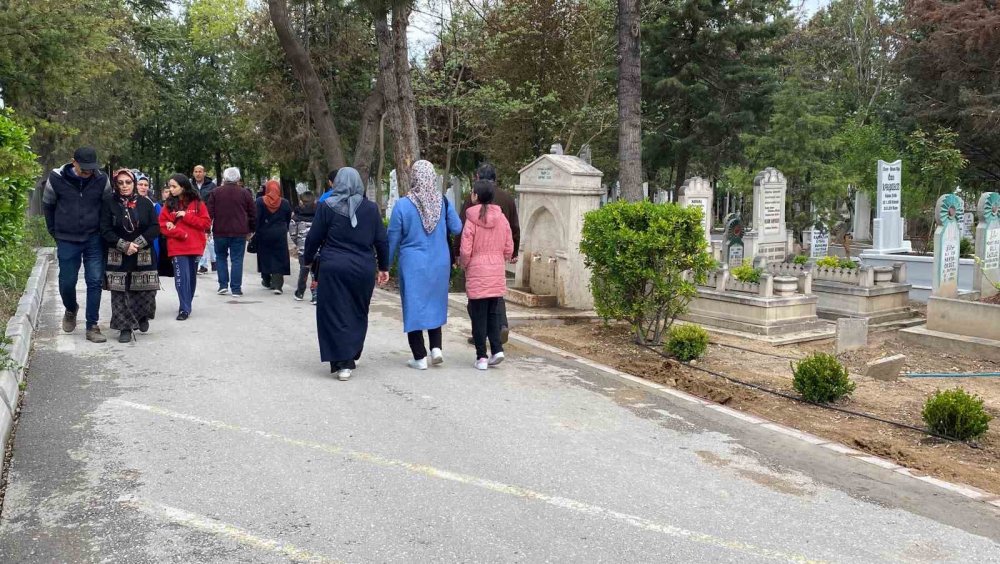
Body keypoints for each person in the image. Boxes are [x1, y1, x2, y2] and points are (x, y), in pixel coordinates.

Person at [303, 168, 389, 381]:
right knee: (358, 311)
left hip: (334, 267)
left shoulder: (326, 207)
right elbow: (381, 240)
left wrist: (308, 260)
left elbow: (314, 237)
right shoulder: (370, 209)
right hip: (363, 268)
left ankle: (342, 362)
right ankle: (352, 352)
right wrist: (384, 267)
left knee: (334, 312)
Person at [388, 160, 463, 370]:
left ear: (414, 178)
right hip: (440, 262)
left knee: (413, 306)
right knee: (435, 302)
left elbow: (392, 238)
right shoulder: (442, 202)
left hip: (413, 263)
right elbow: (457, 227)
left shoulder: (403, 205)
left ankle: (419, 356)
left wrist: (385, 265)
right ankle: (436, 349)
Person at [43, 147, 111, 343]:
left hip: (94, 238)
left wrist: (104, 233)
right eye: (84, 168)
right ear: (73, 162)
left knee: (94, 280)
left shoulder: (102, 180)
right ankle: (71, 308)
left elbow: (107, 208)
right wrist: (55, 232)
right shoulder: (56, 178)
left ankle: (92, 326)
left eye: (91, 168)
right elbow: (48, 206)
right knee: (67, 281)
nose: (88, 172)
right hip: (66, 238)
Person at [457, 163, 520, 344]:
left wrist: (457, 254)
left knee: (476, 298)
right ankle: (501, 326)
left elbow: (462, 229)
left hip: (475, 258)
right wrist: (513, 252)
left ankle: (481, 333)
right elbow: (514, 227)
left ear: (477, 177)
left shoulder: (473, 200)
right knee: (496, 295)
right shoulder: (507, 198)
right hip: (497, 256)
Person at [100, 169, 160, 343]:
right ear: (115, 184)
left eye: (128, 182)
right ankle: (124, 328)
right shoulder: (108, 203)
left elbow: (155, 227)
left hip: (143, 253)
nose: (124, 186)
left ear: (133, 183)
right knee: (120, 292)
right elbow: (105, 229)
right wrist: (124, 245)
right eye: (120, 183)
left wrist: (138, 243)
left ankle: (142, 316)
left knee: (145, 292)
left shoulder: (145, 203)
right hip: (118, 253)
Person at [460, 180, 514, 370]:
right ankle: (497, 350)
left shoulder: (471, 220)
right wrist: (501, 258)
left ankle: (481, 356)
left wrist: (465, 264)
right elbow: (509, 246)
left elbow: (465, 249)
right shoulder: (502, 218)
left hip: (477, 271)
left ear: (475, 196)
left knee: (478, 317)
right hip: (496, 270)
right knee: (493, 314)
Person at [159, 174, 211, 320]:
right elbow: (162, 225)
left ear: (183, 187)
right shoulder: (168, 205)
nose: (171, 189)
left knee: (191, 278)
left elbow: (206, 223)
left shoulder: (197, 203)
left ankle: (187, 304)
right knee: (181, 277)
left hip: (195, 246)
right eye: (169, 186)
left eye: (174, 186)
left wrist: (186, 216)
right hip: (177, 247)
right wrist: (179, 233)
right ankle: (184, 308)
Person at [207, 167, 256, 296]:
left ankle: (223, 285)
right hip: (239, 231)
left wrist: (207, 229)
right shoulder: (245, 193)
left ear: (224, 178)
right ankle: (236, 289)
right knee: (237, 259)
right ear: (238, 178)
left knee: (220, 257)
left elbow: (209, 213)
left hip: (220, 230)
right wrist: (251, 229)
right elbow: (252, 213)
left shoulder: (215, 192)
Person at [254, 180, 292, 294]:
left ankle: (266, 280)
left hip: (264, 233)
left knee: (265, 256)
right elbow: (288, 218)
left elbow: (257, 218)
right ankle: (277, 285)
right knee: (279, 257)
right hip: (280, 234)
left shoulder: (260, 201)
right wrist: (285, 228)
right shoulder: (285, 203)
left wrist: (255, 231)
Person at [289, 186, 318, 303]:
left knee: (304, 269)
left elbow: (292, 234)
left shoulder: (296, 217)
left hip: (303, 249)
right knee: (315, 272)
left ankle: (300, 292)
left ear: (301, 202)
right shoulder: (319, 216)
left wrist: (299, 243)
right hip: (317, 248)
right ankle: (315, 294)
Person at [192, 165, 217, 274]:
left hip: (208, 215)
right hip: (194, 216)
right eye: (196, 171)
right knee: (200, 239)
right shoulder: (190, 186)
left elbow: (215, 201)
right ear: (193, 173)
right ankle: (203, 265)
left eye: (200, 171)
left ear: (204, 173)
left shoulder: (212, 186)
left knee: (210, 241)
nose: (198, 174)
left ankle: (214, 260)